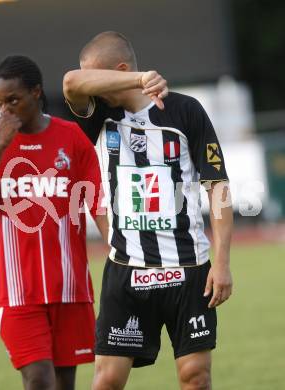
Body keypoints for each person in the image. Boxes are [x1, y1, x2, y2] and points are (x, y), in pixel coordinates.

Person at [63, 31, 233, 390]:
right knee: (106, 381)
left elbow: (217, 187)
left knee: (195, 378)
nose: (95, 85)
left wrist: (221, 263)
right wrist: (139, 79)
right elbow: (71, 82)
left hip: (187, 268)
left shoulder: (186, 110)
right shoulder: (99, 113)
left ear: (119, 68)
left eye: (100, 75)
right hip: (127, 270)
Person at [0, 55, 108, 390]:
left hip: (70, 286)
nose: (5, 111)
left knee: (63, 382)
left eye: (13, 100)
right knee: (38, 378)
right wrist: (0, 144)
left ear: (37, 93)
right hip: (16, 292)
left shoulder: (71, 138)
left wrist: (117, 251)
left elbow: (97, 202)